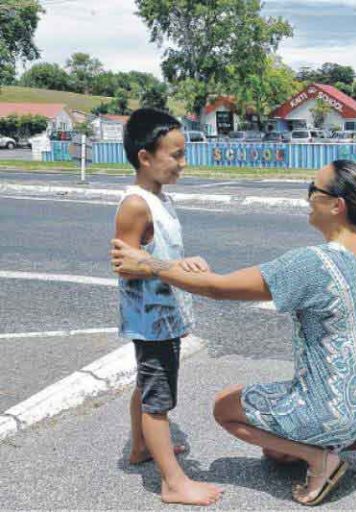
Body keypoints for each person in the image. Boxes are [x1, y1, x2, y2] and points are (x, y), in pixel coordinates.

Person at [111, 159, 356, 506]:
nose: (307, 198)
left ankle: (321, 460)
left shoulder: (313, 263)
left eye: (313, 190)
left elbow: (218, 288)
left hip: (332, 410)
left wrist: (149, 264)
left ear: (336, 205)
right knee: (276, 453)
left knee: (225, 408)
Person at [114, 108, 222, 506]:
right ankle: (173, 483)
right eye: (175, 155)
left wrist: (180, 263)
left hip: (163, 315)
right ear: (145, 157)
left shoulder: (159, 198)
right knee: (158, 399)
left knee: (148, 385)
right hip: (151, 319)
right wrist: (173, 267)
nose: (183, 162)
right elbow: (125, 265)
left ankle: (141, 446)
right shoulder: (135, 204)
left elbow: (152, 256)